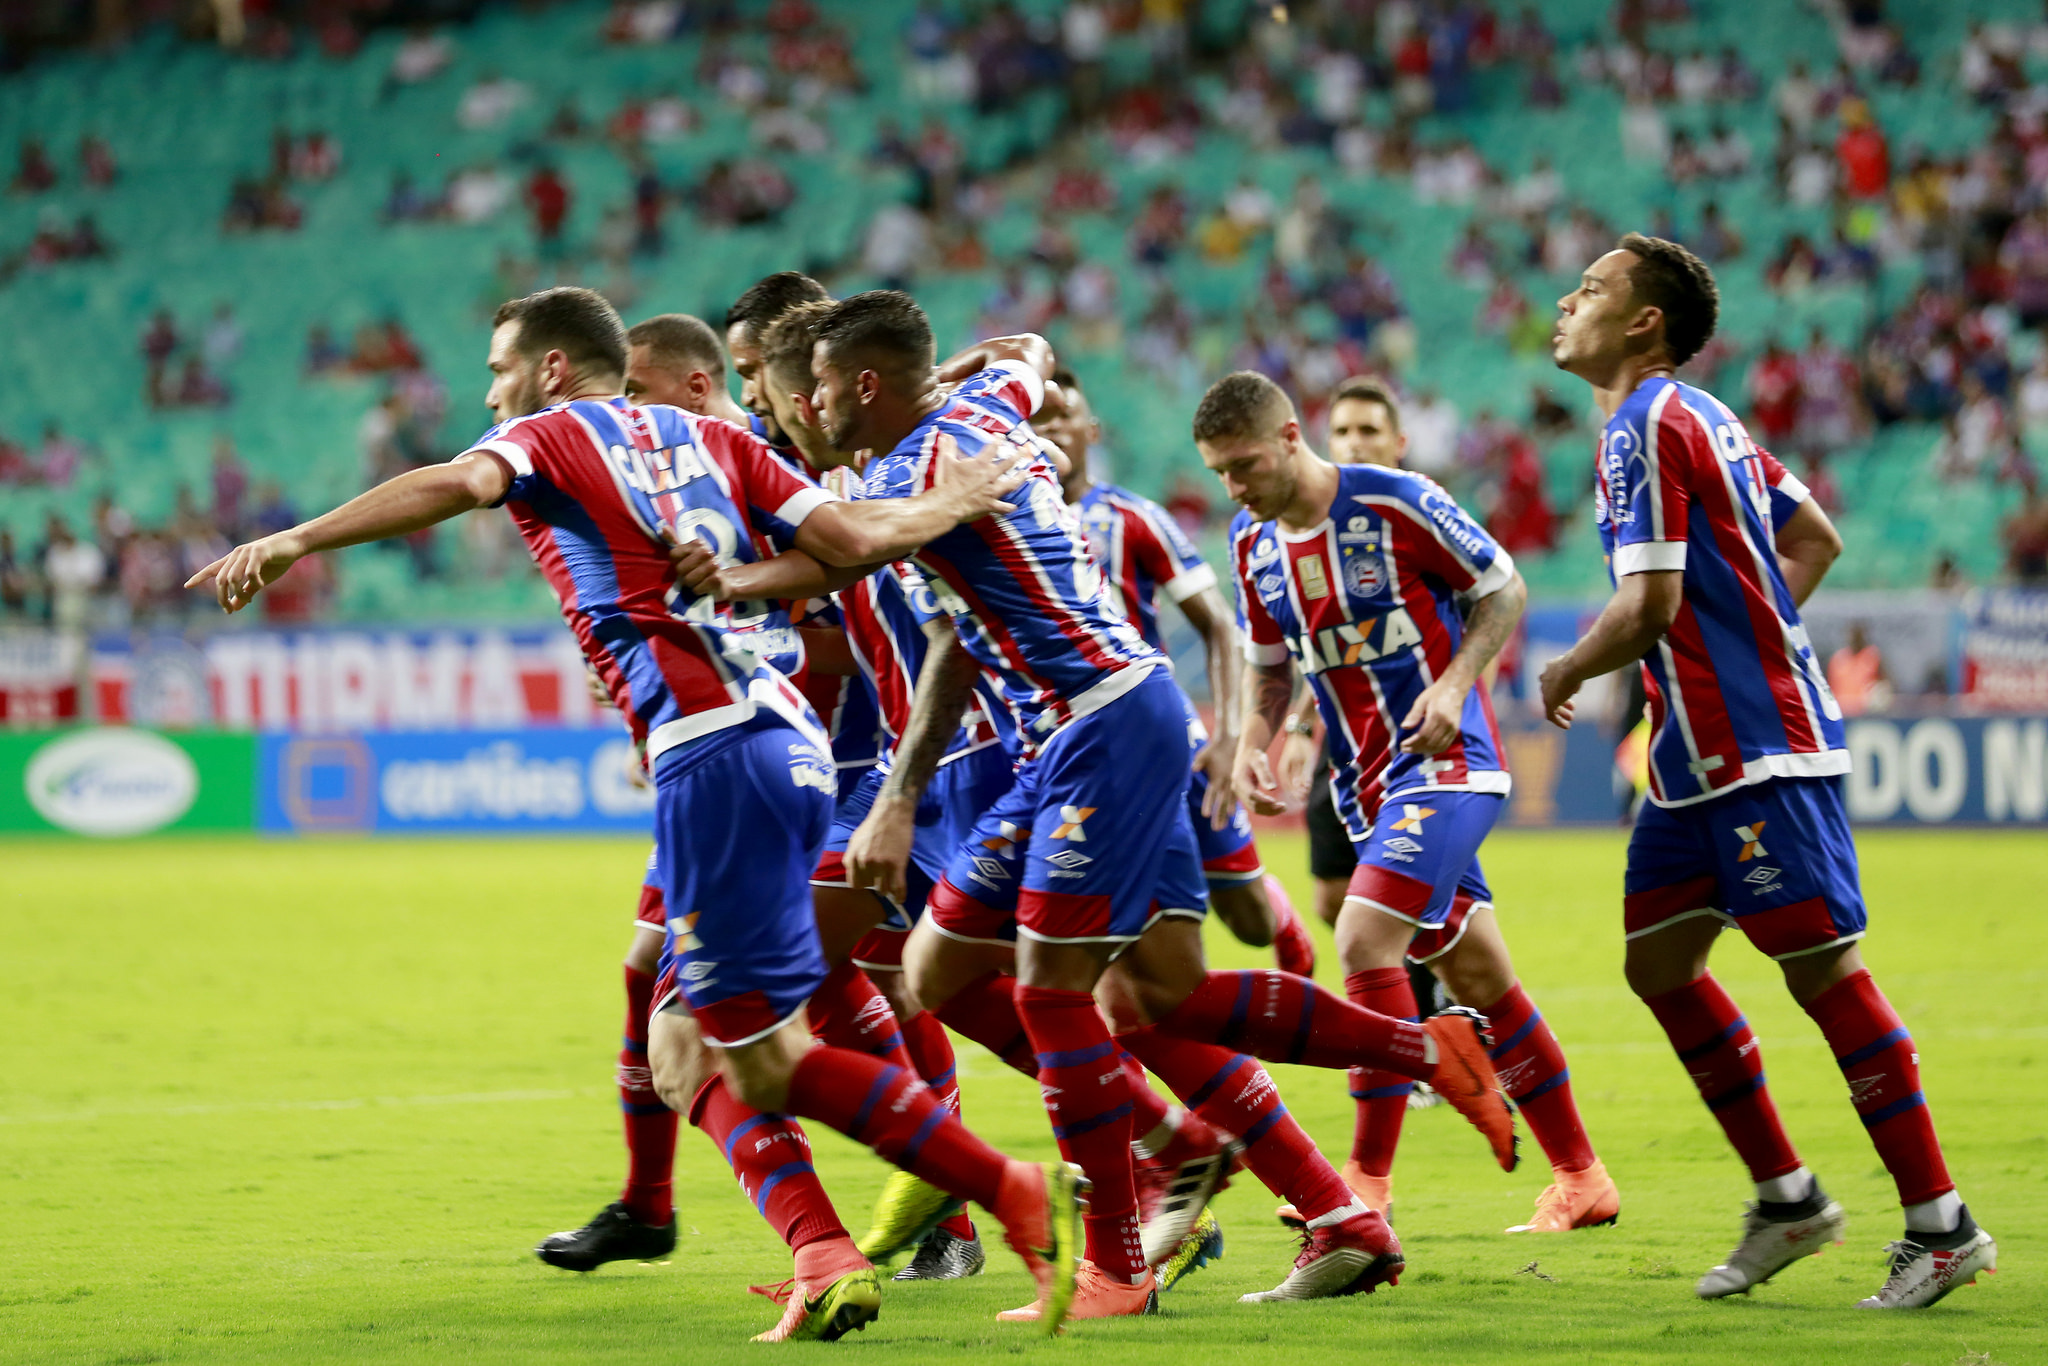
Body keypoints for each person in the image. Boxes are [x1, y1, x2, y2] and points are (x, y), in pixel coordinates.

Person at [187, 286, 1085, 1341]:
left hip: (714, 755)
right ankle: (840, 1248)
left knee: (711, 1047)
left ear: (552, 368)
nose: (490, 394)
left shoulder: (548, 436)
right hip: (793, 746)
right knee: (719, 1037)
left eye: (497, 370)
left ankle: (999, 1195)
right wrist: (954, 499)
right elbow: (849, 538)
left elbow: (456, 482)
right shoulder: (718, 441)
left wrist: (297, 539)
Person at [679, 293, 1518, 1313]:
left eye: (778, 386)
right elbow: (1025, 353)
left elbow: (865, 553)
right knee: (1098, 990)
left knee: (1053, 995)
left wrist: (735, 583)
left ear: (850, 380)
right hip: (1054, 737)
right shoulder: (971, 412)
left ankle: (1119, 1244)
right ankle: (1386, 1099)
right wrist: (972, 383)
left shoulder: (898, 475)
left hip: (1061, 732)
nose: (780, 409)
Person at [1540, 234, 1995, 1308]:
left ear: (1643, 321)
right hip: (1687, 762)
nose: (1566, 300)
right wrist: (1748, 628)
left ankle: (1941, 1227)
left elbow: (1649, 605)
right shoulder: (1705, 417)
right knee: (1658, 966)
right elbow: (1815, 537)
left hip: (1755, 750)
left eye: (1591, 288)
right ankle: (1788, 1201)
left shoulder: (1646, 423)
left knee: (1822, 974)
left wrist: (1567, 666)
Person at [1201, 371, 1616, 1235]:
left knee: (1362, 938)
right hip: (1364, 789)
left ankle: (1365, 1183)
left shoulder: (1397, 502)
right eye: (1220, 474)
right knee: (1480, 976)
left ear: (1288, 438)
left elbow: (1502, 587)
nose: (1234, 488)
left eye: (1245, 465)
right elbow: (1271, 668)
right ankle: (1582, 1177)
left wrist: (1456, 684)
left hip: (1448, 765)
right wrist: (1251, 743)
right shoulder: (1251, 544)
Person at [1036, 365, 1318, 978]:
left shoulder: (1132, 518)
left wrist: (1227, 735)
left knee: (1246, 918)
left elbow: (1218, 624)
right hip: (1070, 746)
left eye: (1064, 417)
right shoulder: (1007, 525)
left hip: (1164, 734)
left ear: (1092, 430)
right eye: (1038, 421)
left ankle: (1280, 919)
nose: (1051, 430)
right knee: (1110, 927)